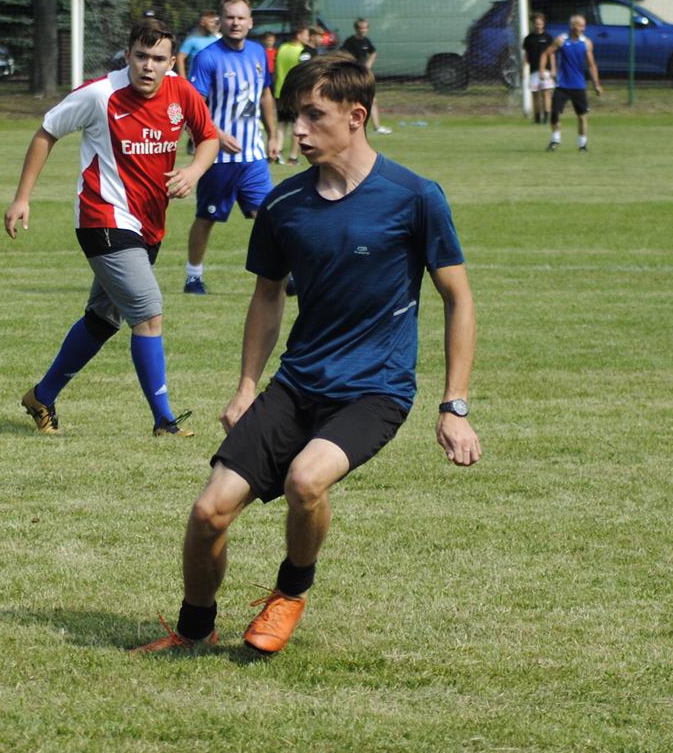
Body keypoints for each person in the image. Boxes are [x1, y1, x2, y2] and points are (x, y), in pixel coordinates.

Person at [133, 54, 481, 657]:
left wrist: (454, 405)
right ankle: (193, 631)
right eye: (294, 115)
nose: (296, 129)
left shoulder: (415, 197)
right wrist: (246, 387)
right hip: (298, 384)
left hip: (376, 390)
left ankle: (290, 592)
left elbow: (458, 298)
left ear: (356, 116)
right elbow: (267, 296)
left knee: (305, 479)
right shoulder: (283, 205)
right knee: (209, 513)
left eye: (313, 116)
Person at [5, 17, 219, 437]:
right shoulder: (100, 94)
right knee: (149, 313)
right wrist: (22, 197)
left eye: (159, 58)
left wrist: (194, 170)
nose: (148, 66)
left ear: (172, 61)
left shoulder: (181, 91)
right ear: (128, 55)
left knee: (103, 319)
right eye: (141, 56)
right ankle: (164, 421)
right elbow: (46, 132)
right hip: (102, 219)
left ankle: (42, 397)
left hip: (147, 225)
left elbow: (208, 136)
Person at [182, 0, 277, 295]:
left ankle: (282, 274)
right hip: (218, 158)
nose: (235, 23)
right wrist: (218, 135)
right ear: (220, 22)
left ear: (250, 22)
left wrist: (273, 134)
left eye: (241, 18)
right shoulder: (208, 57)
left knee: (269, 216)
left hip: (253, 156)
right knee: (207, 217)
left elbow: (265, 96)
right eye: (230, 17)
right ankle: (193, 276)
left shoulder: (259, 53)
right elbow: (194, 106)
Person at [539, 13, 604, 151]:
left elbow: (592, 65)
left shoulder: (586, 43)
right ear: (573, 26)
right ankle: (555, 140)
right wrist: (543, 71)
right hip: (562, 85)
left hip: (578, 85)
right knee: (555, 112)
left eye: (583, 25)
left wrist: (596, 84)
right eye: (580, 25)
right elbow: (546, 53)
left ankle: (582, 145)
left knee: (581, 116)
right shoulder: (561, 40)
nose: (583, 28)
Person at [339, 18, 393, 135]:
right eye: (360, 28)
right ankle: (343, 125)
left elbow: (373, 52)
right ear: (356, 29)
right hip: (353, 76)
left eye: (365, 28)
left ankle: (377, 127)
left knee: (372, 100)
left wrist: (368, 64)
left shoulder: (366, 41)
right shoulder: (350, 41)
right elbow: (341, 54)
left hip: (362, 75)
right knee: (350, 101)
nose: (363, 30)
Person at [272, 26, 316, 164]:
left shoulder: (282, 48)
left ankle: (277, 153)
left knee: (281, 125)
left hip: (280, 91)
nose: (308, 38)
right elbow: (304, 73)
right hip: (294, 93)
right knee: (296, 125)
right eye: (306, 34)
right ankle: (293, 156)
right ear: (298, 34)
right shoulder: (302, 51)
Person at [521, 12, 555, 124]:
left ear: (543, 24)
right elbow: (526, 55)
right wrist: (523, 68)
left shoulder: (548, 38)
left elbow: (552, 55)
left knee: (546, 93)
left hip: (546, 70)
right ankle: (537, 118)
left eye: (540, 23)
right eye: (536, 23)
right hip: (534, 70)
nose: (538, 26)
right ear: (533, 24)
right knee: (535, 95)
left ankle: (547, 117)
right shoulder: (528, 39)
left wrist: (554, 69)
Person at [175, 11, 220, 80]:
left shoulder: (218, 39)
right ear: (202, 23)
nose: (214, 25)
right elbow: (180, 57)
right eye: (211, 22)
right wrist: (183, 79)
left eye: (215, 22)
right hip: (196, 83)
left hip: (215, 82)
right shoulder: (192, 39)